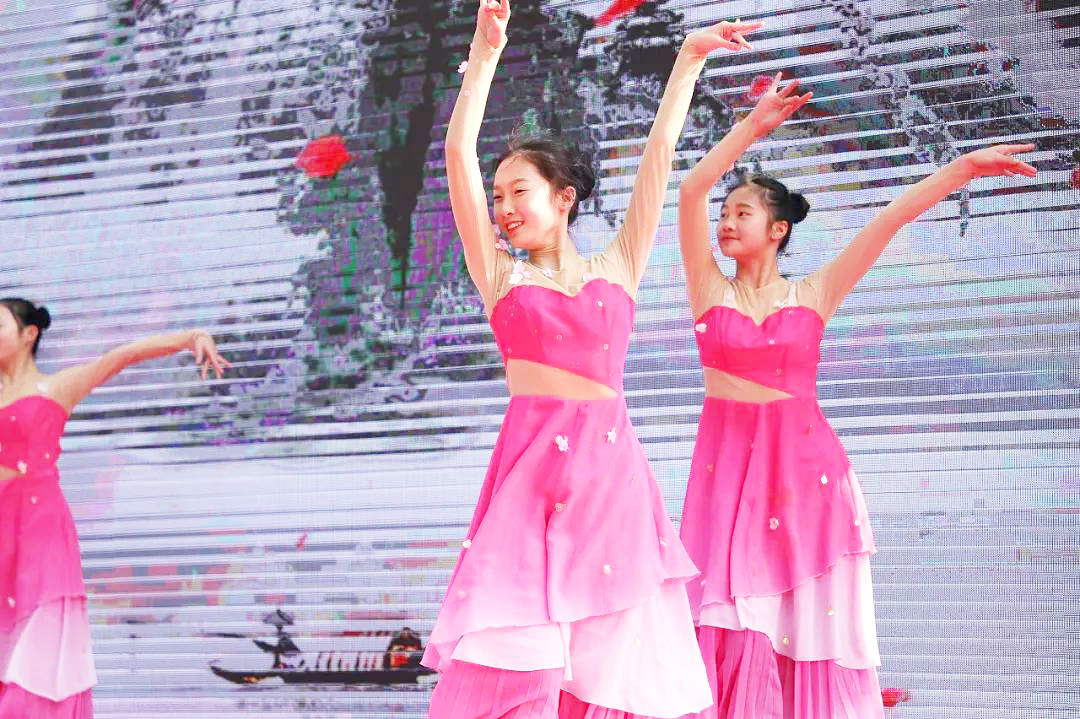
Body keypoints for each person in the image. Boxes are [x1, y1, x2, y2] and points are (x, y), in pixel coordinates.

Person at [422, 1, 763, 716]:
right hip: (529, 486)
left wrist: (689, 58)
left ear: (564, 198)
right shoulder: (502, 277)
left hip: (613, 489)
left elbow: (659, 157)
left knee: (615, 672)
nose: (503, 207)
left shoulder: (619, 267)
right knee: (517, 653)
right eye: (497, 196)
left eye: (519, 191)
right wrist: (485, 54)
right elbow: (456, 155)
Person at [675, 74, 1038, 718]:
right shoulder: (709, 289)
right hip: (728, 484)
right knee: (734, 619)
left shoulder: (814, 293)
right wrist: (751, 127)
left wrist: (963, 167)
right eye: (724, 214)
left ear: (778, 229)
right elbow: (690, 189)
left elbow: (888, 220)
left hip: (808, 482)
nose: (726, 222)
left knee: (802, 627)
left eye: (743, 213)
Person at [0, 298, 231, 719]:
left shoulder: (56, 388)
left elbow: (123, 354)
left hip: (40, 528)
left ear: (28, 334)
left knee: (34, 661)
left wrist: (192, 336)